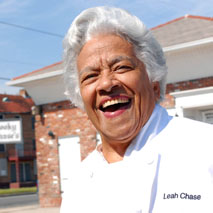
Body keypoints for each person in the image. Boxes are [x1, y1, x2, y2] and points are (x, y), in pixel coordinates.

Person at [60, 6, 213, 213]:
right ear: (81, 99)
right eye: (90, 76)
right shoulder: (79, 184)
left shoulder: (205, 148)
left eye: (121, 67)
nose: (106, 84)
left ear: (154, 81)